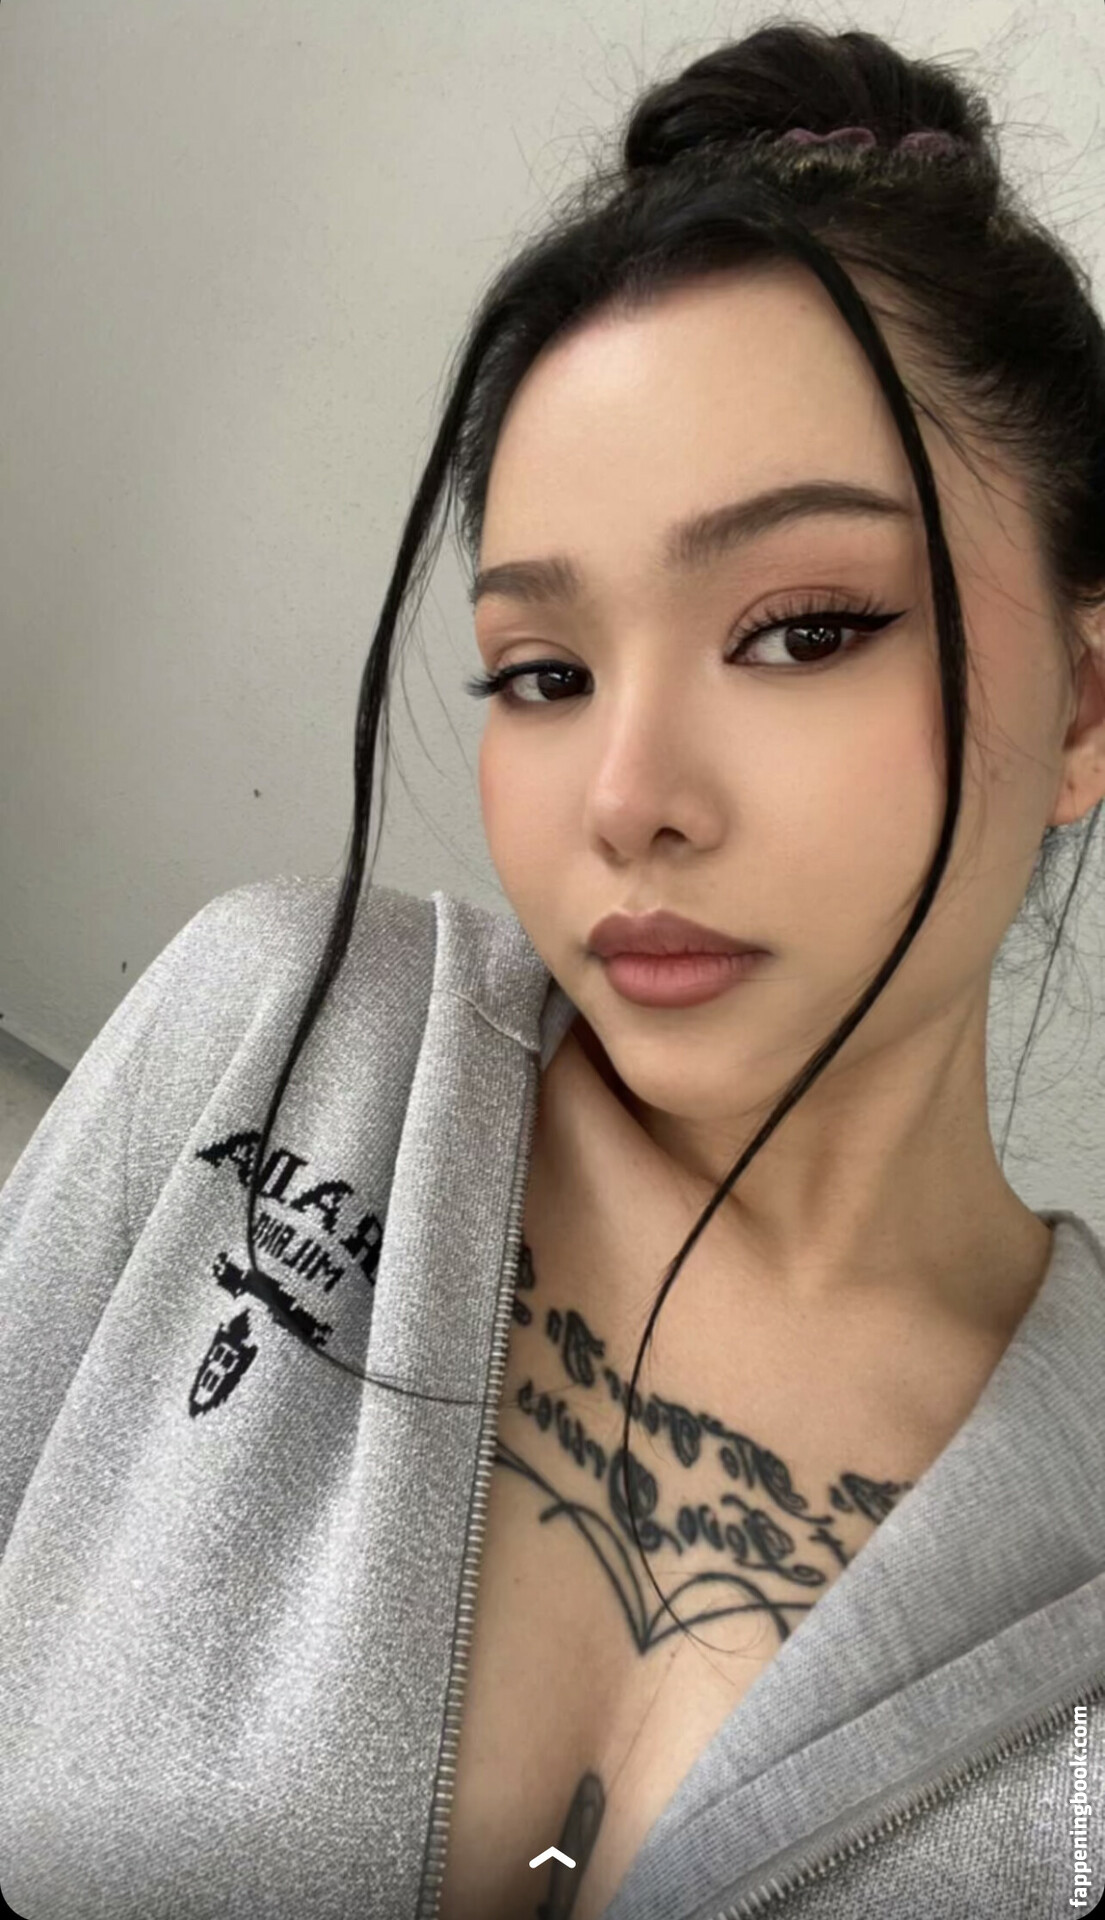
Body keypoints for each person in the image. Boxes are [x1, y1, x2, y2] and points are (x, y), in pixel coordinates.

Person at [2, 20, 1104, 1920]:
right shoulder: (276, 1036)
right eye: (542, 671)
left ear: (1082, 702)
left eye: (800, 629)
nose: (622, 798)